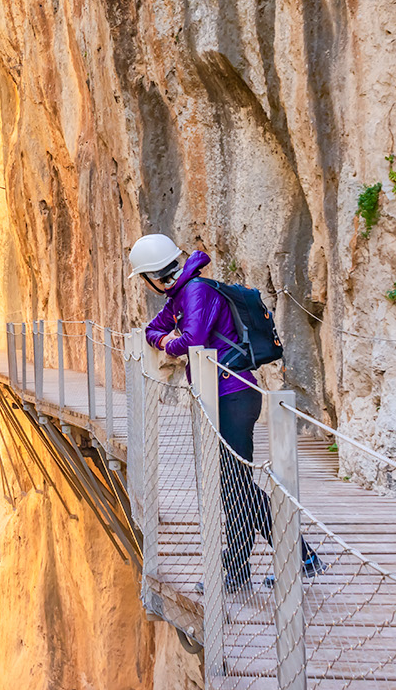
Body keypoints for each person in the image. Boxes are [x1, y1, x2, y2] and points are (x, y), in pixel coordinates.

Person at [129, 233, 322, 592]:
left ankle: (299, 557)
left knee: (238, 486)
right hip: (226, 395)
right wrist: (164, 340)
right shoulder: (183, 293)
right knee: (234, 487)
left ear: (151, 276)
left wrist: (170, 343)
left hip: (233, 396)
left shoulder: (195, 291)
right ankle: (238, 570)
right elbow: (153, 330)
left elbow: (193, 340)